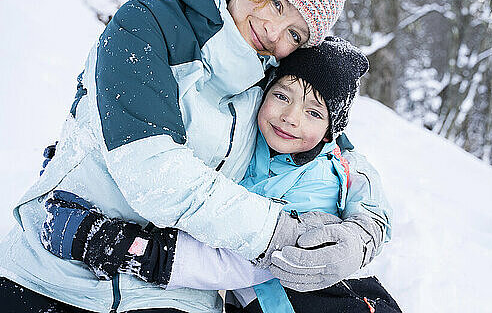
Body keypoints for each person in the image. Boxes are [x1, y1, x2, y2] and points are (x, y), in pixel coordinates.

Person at [0, 0, 391, 313]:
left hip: (173, 296)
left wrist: (362, 233)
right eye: (275, 3)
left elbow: (334, 149)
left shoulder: (273, 76)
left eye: (295, 32)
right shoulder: (146, 27)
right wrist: (282, 234)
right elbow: (154, 174)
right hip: (54, 269)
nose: (274, 31)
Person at [41, 37, 401, 313]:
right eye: (282, 96)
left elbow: (250, 262)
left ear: (329, 133)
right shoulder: (246, 142)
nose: (291, 117)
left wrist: (134, 250)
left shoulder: (319, 182)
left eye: (314, 113)